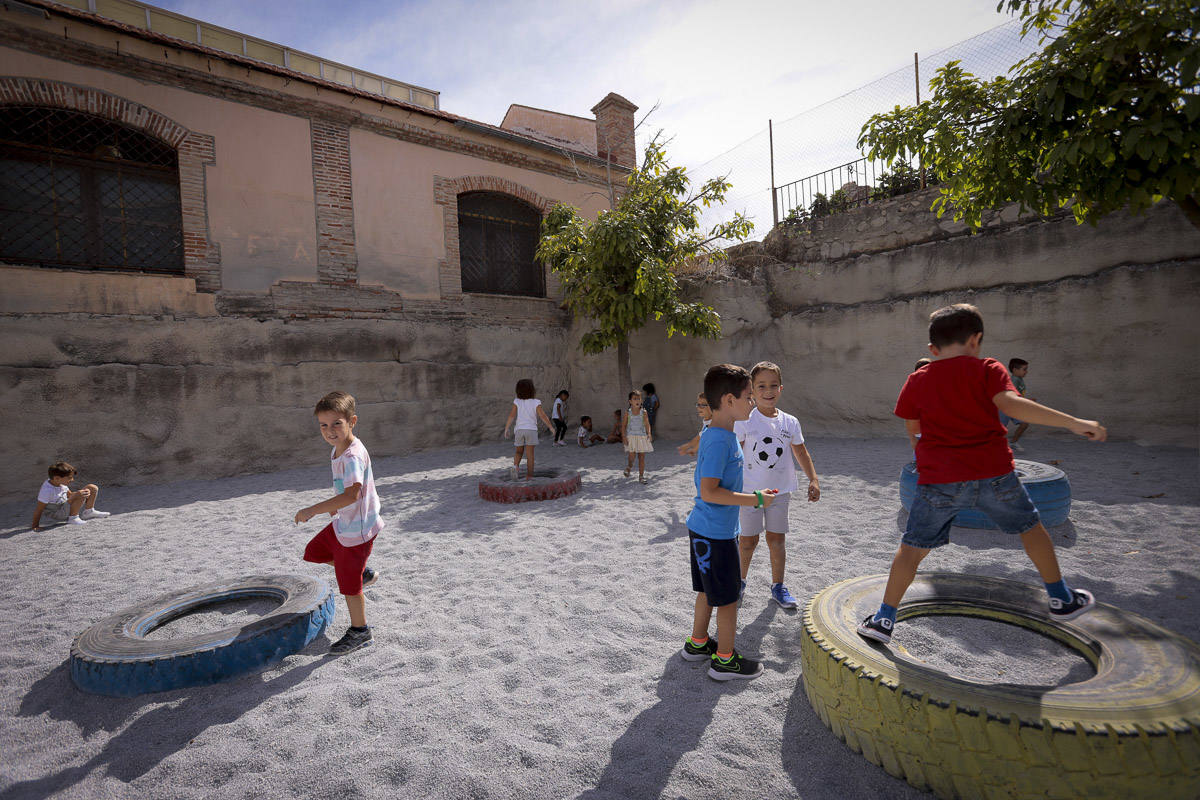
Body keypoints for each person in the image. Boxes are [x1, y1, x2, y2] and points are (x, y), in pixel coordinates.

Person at [857, 304, 1106, 645]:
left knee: (912, 549)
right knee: (1031, 529)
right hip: (994, 476)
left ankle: (884, 619)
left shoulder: (918, 378)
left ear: (932, 349)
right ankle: (1060, 598)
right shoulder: (989, 369)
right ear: (976, 340)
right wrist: (1073, 422)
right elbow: (1012, 405)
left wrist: (924, 455)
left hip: (938, 481)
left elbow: (912, 427)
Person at [681, 363, 776, 681]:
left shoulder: (716, 433)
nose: (753, 402)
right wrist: (756, 500)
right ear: (728, 400)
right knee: (728, 598)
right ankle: (724, 661)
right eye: (749, 396)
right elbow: (709, 491)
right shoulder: (720, 439)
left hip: (703, 528)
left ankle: (697, 644)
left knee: (708, 591)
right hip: (717, 534)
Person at [293, 391, 384, 655]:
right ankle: (362, 573)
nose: (330, 430)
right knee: (316, 551)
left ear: (352, 421)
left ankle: (360, 631)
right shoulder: (339, 448)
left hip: (357, 530)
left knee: (349, 588)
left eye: (337, 423)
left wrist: (313, 510)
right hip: (346, 523)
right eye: (323, 424)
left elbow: (352, 494)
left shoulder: (352, 456)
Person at [734, 361, 821, 610]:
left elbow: (800, 452)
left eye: (773, 385)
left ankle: (778, 586)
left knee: (776, 540)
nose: (768, 391)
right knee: (748, 541)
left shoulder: (790, 422)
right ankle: (739, 582)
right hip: (749, 493)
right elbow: (735, 455)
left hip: (779, 493)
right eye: (761, 386)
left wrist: (813, 479)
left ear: (781, 388)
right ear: (752, 389)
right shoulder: (745, 421)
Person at [31, 461, 110, 530]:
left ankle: (89, 512)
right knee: (79, 494)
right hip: (57, 513)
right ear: (57, 478)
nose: (72, 480)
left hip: (65, 506)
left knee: (92, 487)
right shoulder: (47, 491)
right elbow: (39, 509)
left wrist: (83, 494)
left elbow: (70, 495)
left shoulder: (60, 484)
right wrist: (35, 526)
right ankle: (73, 518)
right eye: (69, 478)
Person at [502, 378, 554, 479]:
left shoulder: (517, 401)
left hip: (519, 430)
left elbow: (511, 416)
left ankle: (515, 469)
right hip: (531, 430)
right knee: (530, 454)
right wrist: (551, 427)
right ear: (532, 390)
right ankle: (529, 475)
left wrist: (507, 428)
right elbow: (543, 416)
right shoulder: (536, 402)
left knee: (518, 451)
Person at [623, 389, 654, 483]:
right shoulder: (628, 413)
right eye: (635, 399)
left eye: (639, 399)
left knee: (641, 457)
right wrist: (624, 437)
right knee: (632, 456)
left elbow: (647, 424)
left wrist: (649, 433)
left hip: (642, 437)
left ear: (641, 401)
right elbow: (623, 426)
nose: (637, 401)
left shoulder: (643, 412)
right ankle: (629, 466)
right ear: (630, 401)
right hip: (631, 437)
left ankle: (641, 476)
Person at [1004, 358, 1032, 447]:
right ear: (1015, 370)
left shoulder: (1019, 379)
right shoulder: (1014, 380)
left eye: (1026, 369)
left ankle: (1013, 442)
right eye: (1024, 369)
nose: (1026, 372)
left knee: (1024, 424)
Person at [677, 392, 712, 457]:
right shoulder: (707, 421)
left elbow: (702, 437)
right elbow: (702, 436)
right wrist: (694, 449)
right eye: (698, 405)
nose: (699, 408)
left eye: (702, 405)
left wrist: (689, 446)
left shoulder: (713, 423)